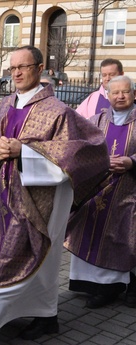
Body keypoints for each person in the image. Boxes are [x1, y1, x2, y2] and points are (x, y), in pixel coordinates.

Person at [0, 46, 109, 345]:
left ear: (39, 68)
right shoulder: (0, 108)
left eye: (24, 67)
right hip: (2, 195)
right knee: (13, 257)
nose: (17, 74)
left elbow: (84, 151)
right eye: (12, 69)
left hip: (43, 200)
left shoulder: (58, 111)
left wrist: (23, 151)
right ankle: (47, 316)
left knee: (23, 259)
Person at [65, 75, 136, 309]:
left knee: (117, 235)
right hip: (94, 190)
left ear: (134, 94)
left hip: (127, 191)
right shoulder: (96, 120)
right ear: (107, 95)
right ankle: (89, 283)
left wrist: (131, 162)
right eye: (115, 92)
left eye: (125, 92)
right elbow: (81, 149)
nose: (120, 96)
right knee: (87, 231)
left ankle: (111, 286)